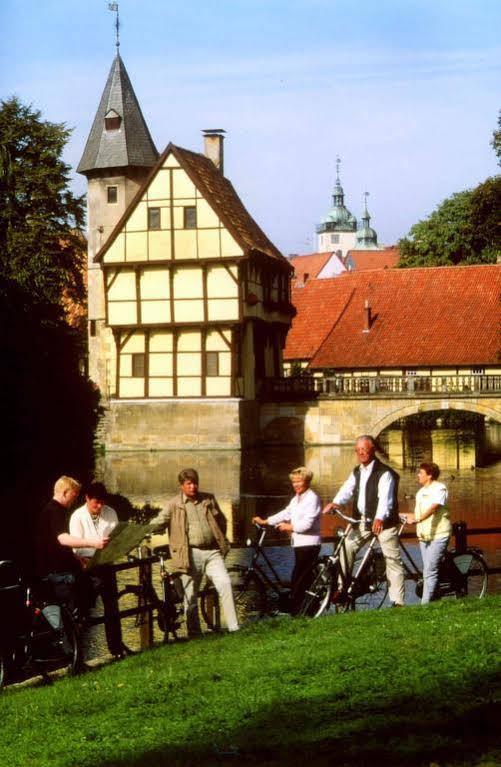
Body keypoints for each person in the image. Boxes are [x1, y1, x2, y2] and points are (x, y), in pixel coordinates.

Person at [150, 469, 239, 635]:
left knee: (225, 584)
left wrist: (221, 539)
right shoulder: (174, 504)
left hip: (212, 552)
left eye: (195, 482)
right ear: (181, 486)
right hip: (189, 554)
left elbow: (222, 521)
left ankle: (235, 628)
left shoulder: (208, 499)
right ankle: (194, 634)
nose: (193, 486)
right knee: (190, 596)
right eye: (189, 484)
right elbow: (159, 522)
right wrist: (143, 530)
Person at [322, 435, 405, 607]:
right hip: (363, 521)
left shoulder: (384, 473)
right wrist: (336, 502)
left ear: (372, 450)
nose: (361, 453)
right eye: (358, 450)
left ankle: (398, 602)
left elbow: (385, 499)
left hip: (384, 522)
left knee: (392, 559)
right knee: (346, 547)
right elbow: (347, 489)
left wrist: (380, 517)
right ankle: (341, 589)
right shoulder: (357, 471)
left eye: (364, 450)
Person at [35, 475, 109, 619]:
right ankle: (75, 628)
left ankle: (75, 627)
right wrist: (93, 543)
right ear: (64, 493)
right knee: (93, 586)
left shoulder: (51, 510)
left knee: (85, 593)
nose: (74, 500)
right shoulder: (55, 511)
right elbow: (62, 539)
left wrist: (75, 557)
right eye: (73, 496)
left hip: (53, 570)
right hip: (56, 572)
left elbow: (54, 544)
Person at [69, 481, 129, 658]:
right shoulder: (77, 516)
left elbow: (116, 538)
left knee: (112, 607)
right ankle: (77, 655)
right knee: (84, 610)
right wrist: (94, 549)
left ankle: (116, 649)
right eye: (96, 502)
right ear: (87, 498)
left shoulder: (110, 513)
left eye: (102, 502)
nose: (100, 506)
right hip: (87, 568)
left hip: (106, 565)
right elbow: (76, 547)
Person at [252, 466, 321, 615]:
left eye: (299, 481)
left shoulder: (312, 498)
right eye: (293, 482)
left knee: (299, 579)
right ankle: (305, 610)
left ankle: (298, 612)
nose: (295, 485)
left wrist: (289, 526)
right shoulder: (296, 499)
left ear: (307, 481)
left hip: (310, 544)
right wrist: (266, 521)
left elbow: (307, 524)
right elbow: (286, 512)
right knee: (301, 578)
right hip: (299, 544)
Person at [404, 462, 451, 604]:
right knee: (428, 569)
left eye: (421, 473)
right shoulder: (420, 492)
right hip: (424, 536)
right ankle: (435, 599)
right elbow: (418, 513)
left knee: (430, 570)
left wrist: (418, 519)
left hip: (439, 534)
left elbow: (433, 508)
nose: (418, 475)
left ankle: (424, 606)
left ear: (429, 475)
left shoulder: (440, 488)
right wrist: (400, 516)